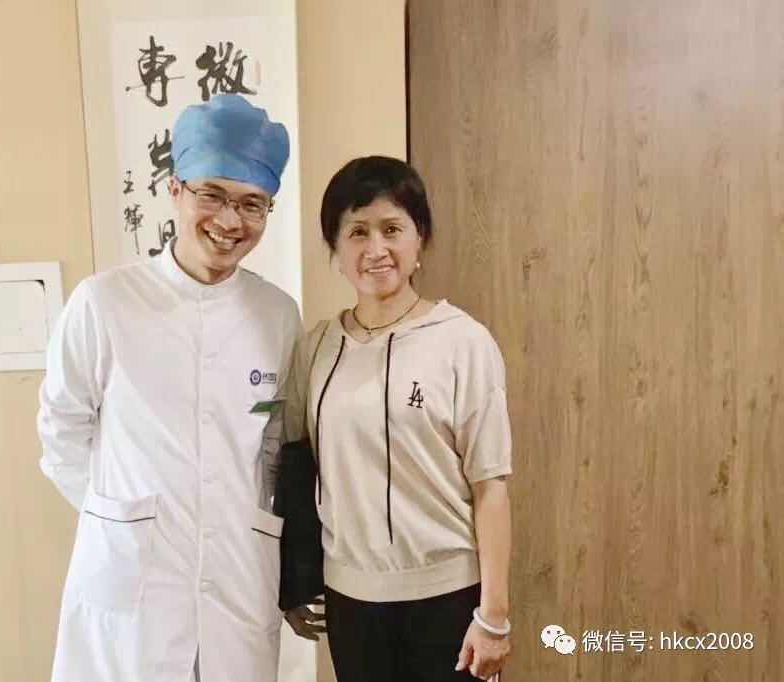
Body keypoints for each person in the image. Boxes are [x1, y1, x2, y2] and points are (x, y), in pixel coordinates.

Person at [37, 94, 301, 682]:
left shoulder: (278, 314)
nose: (230, 221)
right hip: (131, 580)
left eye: (252, 204)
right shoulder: (105, 302)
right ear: (175, 189)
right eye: (213, 194)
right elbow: (61, 434)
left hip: (238, 577)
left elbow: (274, 444)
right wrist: (120, 520)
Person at [284, 156, 513, 681]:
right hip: (350, 601)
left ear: (419, 240)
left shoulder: (462, 341)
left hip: (449, 598)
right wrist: (295, 580)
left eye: (392, 229)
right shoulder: (316, 348)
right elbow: (298, 467)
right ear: (335, 249)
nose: (375, 249)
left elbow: (491, 484)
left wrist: (494, 616)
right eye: (356, 232)